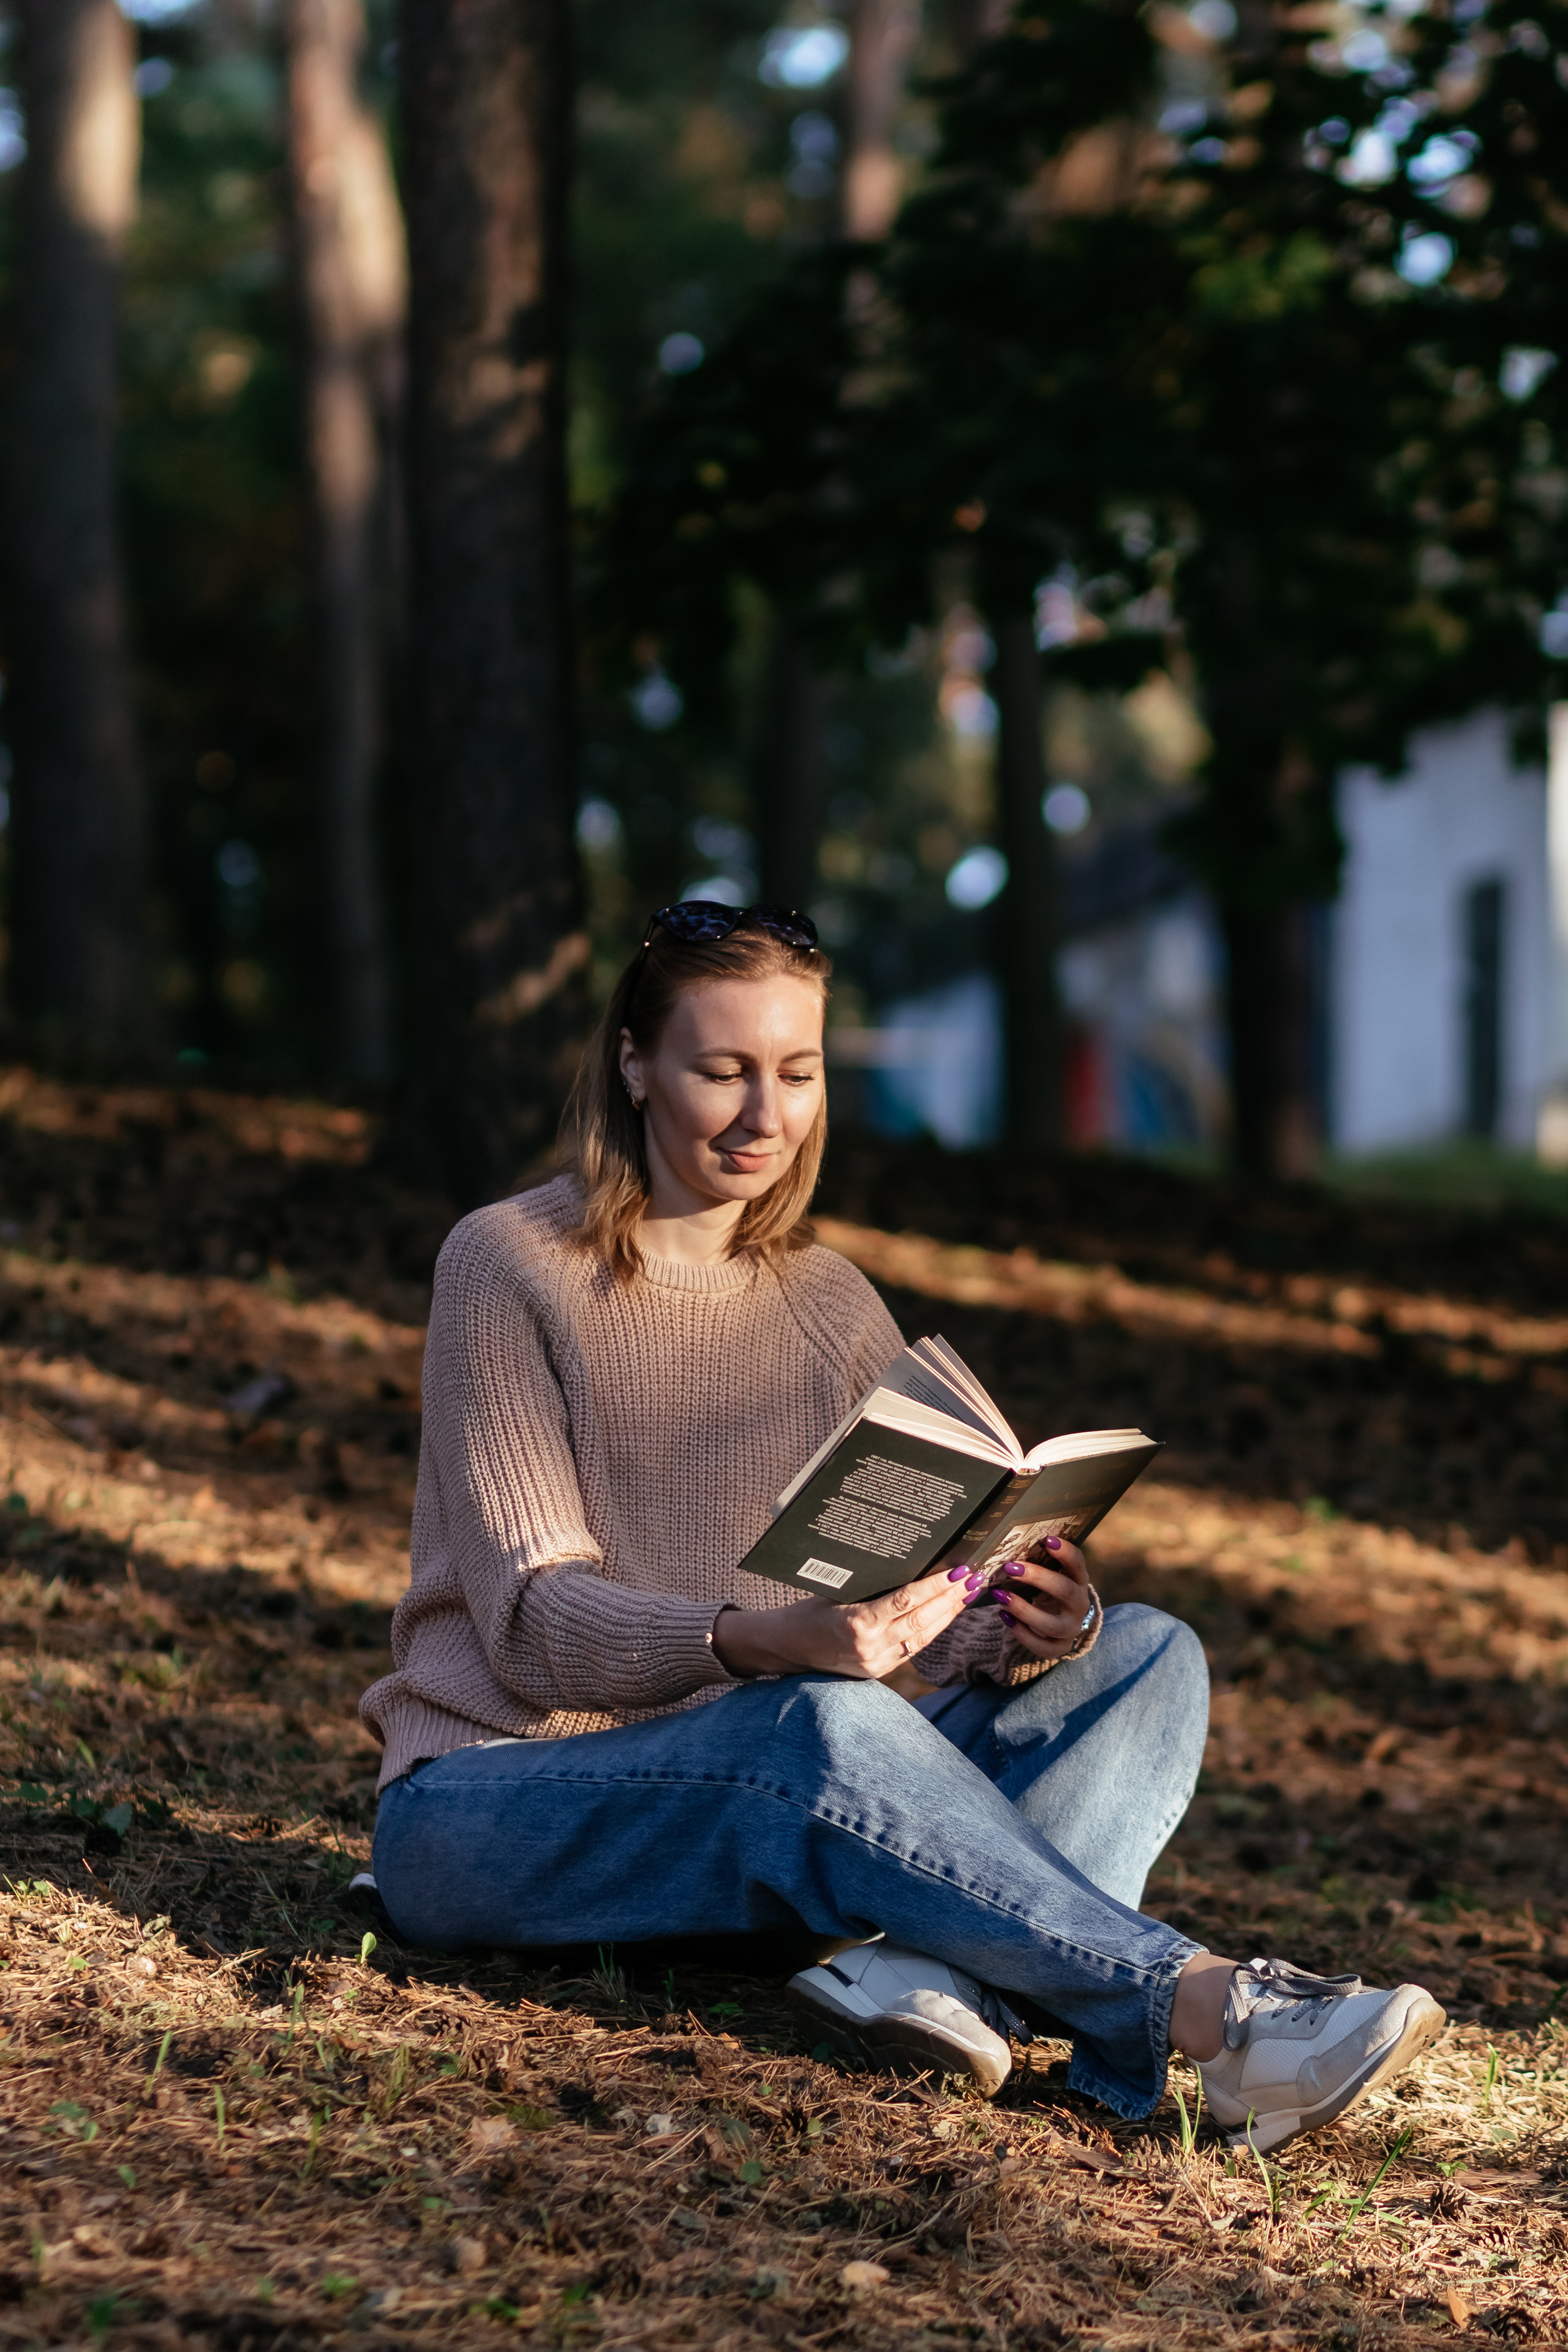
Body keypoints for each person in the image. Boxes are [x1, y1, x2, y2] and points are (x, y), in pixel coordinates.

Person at [361, 902, 1443, 2152]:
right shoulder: (505, 1265)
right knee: (812, 1721)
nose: (765, 1116)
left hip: (767, 1807)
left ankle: (939, 1988)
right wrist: (775, 1643)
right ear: (633, 1064)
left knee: (1147, 1653)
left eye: (797, 1073)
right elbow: (535, 1628)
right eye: (720, 1071)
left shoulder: (824, 1301)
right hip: (496, 1807)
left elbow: (900, 1611)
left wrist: (1022, 1617)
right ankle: (1208, 2010)